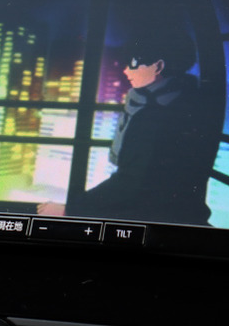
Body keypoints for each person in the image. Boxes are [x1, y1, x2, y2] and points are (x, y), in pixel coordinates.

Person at [38, 33, 214, 225]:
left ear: (158, 66)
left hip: (152, 216)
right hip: (175, 212)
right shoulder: (184, 100)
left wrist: (69, 210)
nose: (126, 70)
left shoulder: (153, 114)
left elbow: (130, 182)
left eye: (133, 63)